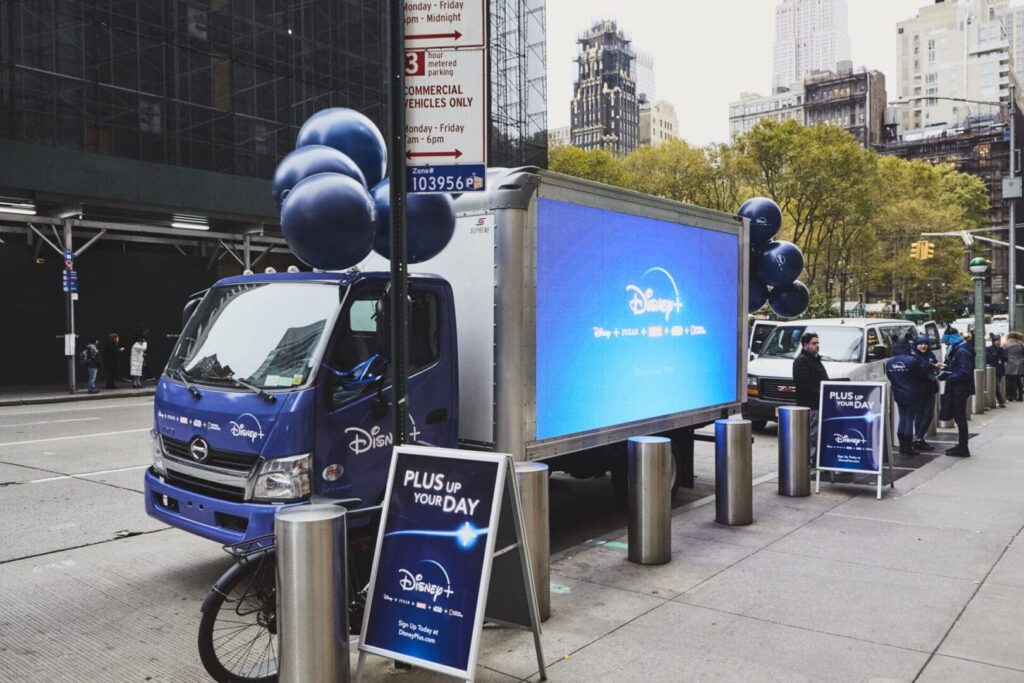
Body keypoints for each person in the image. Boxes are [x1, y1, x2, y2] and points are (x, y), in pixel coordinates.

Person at [886, 340, 929, 456]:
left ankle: (902, 446)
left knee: (902, 418)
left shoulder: (889, 362)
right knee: (909, 418)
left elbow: (890, 377)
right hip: (912, 392)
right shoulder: (912, 361)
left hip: (898, 393)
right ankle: (908, 447)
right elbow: (922, 375)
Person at [793, 331, 828, 466]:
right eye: (814, 343)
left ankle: (815, 460)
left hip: (819, 403)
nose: (817, 346)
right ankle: (808, 461)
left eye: (818, 343)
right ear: (805, 344)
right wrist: (820, 395)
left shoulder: (814, 359)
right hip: (811, 405)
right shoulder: (801, 361)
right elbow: (804, 385)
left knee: (817, 434)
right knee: (812, 435)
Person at [940, 327, 975, 457]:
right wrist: (947, 370)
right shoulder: (962, 349)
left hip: (960, 389)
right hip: (961, 388)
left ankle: (963, 447)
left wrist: (949, 376)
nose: (946, 344)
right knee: (959, 417)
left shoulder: (961, 351)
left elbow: (964, 372)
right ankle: (962, 445)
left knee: (960, 418)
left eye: (947, 341)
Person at [911, 335, 942, 451]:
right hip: (919, 389)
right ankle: (918, 439)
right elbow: (920, 368)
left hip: (931, 387)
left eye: (925, 343)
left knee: (929, 414)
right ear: (916, 345)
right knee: (919, 414)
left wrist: (936, 368)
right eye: (921, 344)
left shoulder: (930, 355)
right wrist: (933, 366)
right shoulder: (913, 356)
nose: (924, 346)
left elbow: (934, 368)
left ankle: (919, 438)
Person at [986, 333, 1008, 408]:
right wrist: (995, 354)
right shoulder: (989, 349)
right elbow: (988, 359)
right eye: (996, 341)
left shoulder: (1001, 349)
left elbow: (1005, 358)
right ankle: (1000, 400)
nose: (998, 342)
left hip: (999, 370)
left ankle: (999, 401)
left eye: (998, 340)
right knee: (995, 386)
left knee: (996, 385)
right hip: (992, 369)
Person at [1004, 331, 1024, 402]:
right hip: (1019, 364)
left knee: (1009, 381)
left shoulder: (1006, 344)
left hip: (1010, 364)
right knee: (1018, 381)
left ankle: (1011, 396)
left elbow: (1003, 353)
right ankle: (1020, 396)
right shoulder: (1021, 344)